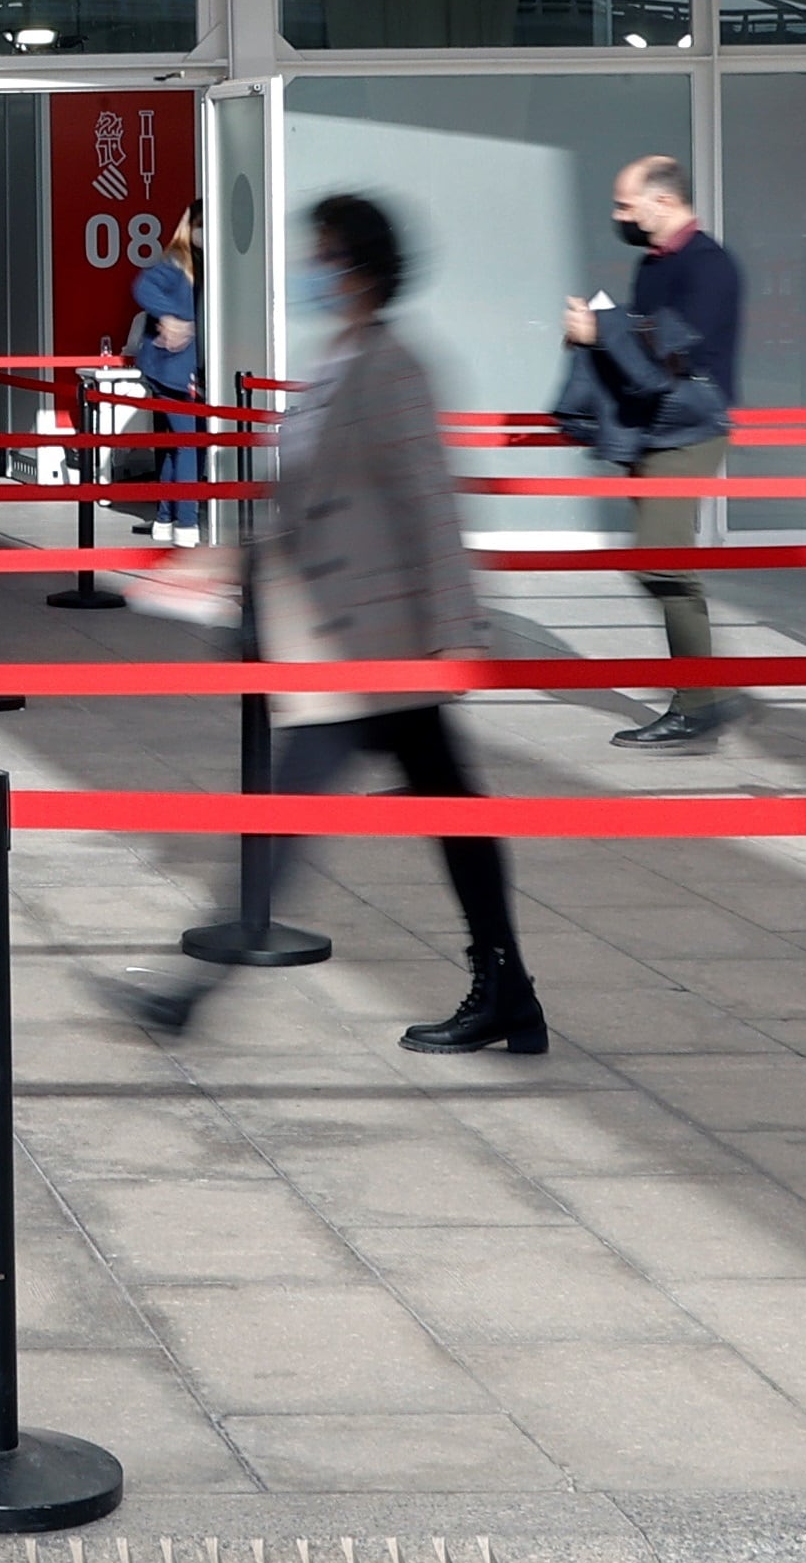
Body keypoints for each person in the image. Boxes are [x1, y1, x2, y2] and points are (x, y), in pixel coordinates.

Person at [107, 193, 545, 1057]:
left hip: (381, 647)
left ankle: (189, 992)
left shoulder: (391, 368)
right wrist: (224, 567)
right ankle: (508, 993)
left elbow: (428, 505)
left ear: (361, 269)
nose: (311, 271)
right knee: (448, 815)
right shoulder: (337, 364)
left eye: (324, 256)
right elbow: (302, 506)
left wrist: (460, 634)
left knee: (316, 810)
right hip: (343, 641)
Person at [560, 155, 743, 750]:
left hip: (689, 427)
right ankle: (702, 693)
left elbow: (669, 353)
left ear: (661, 202)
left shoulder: (709, 267)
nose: (618, 215)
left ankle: (698, 701)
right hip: (656, 427)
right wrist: (602, 332)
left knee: (660, 559)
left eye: (624, 203)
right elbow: (644, 351)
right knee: (663, 563)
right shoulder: (652, 266)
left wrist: (604, 330)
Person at [128, 200, 204, 546]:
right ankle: (186, 522)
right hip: (173, 369)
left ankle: (165, 517)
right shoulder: (178, 262)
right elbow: (143, 286)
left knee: (179, 444)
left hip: (173, 368)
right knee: (190, 444)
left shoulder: (198, 263)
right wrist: (173, 317)